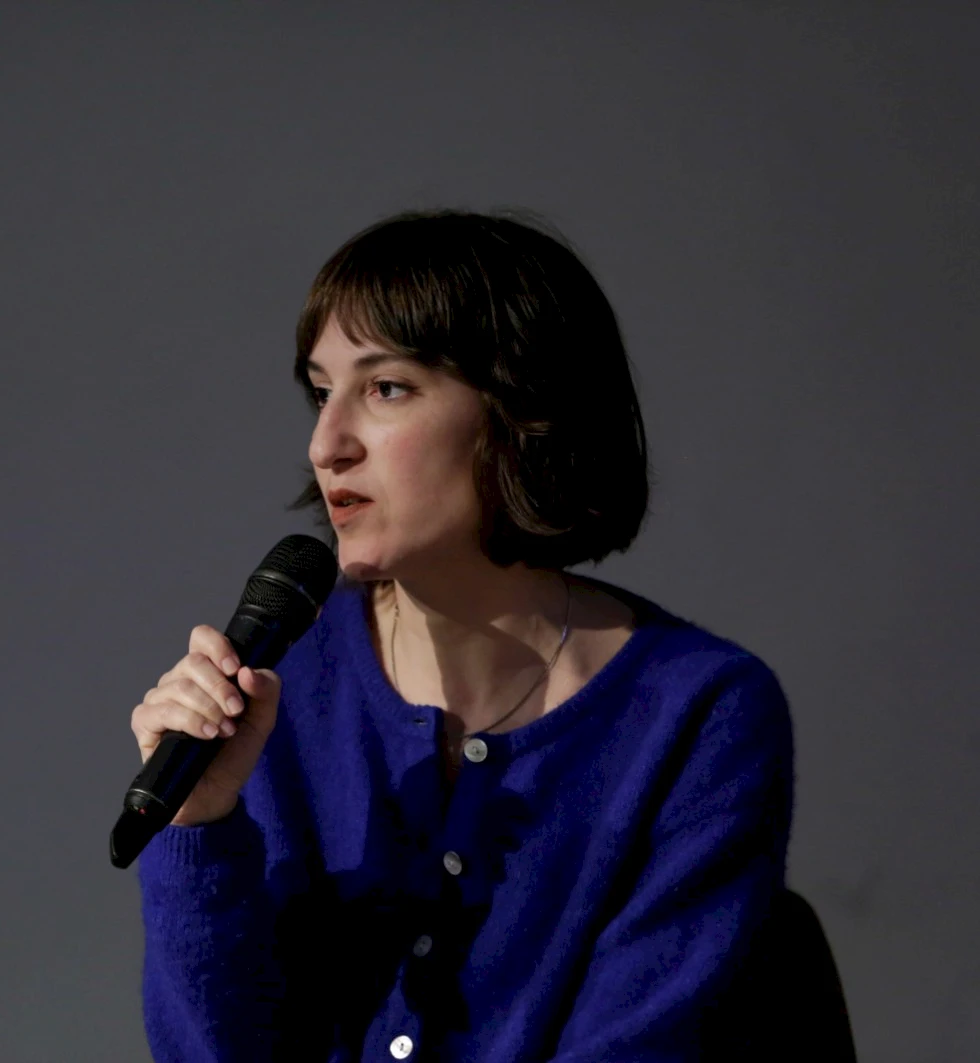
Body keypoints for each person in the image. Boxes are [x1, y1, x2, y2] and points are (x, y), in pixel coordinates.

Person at [128, 210, 794, 1062]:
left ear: (521, 411)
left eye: (387, 388)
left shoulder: (700, 715)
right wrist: (199, 823)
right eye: (321, 391)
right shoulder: (280, 676)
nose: (326, 444)